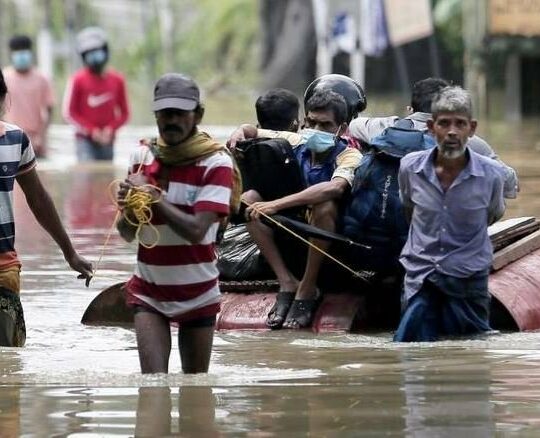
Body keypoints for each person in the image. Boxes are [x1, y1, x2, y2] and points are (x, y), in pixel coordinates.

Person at [116, 73, 238, 373]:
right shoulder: (141, 157)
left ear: (198, 115)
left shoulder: (216, 163)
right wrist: (128, 205)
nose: (171, 121)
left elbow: (197, 231)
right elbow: (126, 233)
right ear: (156, 115)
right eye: (165, 113)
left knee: (195, 388)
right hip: (149, 291)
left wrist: (153, 197)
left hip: (198, 292)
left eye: (180, 114)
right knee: (153, 386)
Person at [228, 90, 362, 329]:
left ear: (341, 128)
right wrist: (239, 134)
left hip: (328, 235)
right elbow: (251, 130)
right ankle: (286, 281)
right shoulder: (296, 140)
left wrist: (276, 204)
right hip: (294, 229)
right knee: (248, 198)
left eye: (325, 125)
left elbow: (334, 188)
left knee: (324, 204)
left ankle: (307, 286)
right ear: (303, 121)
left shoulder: (349, 154)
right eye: (312, 122)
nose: (316, 129)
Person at [393, 86, 506, 342]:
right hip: (420, 276)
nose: (452, 132)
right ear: (432, 128)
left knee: (471, 359)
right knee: (412, 356)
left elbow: (492, 213)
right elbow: (410, 210)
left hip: (468, 279)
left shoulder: (491, 174)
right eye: (444, 123)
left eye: (460, 124)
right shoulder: (410, 167)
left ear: (472, 128)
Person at [0, 69, 93, 347]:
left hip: (3, 266)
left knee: (8, 361)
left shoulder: (15, 140)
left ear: (3, 100)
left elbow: (38, 199)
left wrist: (70, 253)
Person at [348, 77, 519, 199]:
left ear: (410, 110)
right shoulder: (468, 141)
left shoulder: (385, 128)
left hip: (380, 224)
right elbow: (510, 184)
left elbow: (352, 125)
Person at [63, 27, 130, 161]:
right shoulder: (77, 80)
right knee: (86, 178)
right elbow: (69, 113)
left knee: (107, 180)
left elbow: (125, 113)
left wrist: (110, 129)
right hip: (85, 141)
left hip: (108, 141)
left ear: (105, 51)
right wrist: (92, 131)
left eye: (97, 52)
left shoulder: (117, 80)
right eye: (89, 53)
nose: (94, 57)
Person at [2, 35, 55, 158]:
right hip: (10, 139)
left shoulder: (42, 78)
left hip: (37, 142)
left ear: (31, 53)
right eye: (17, 51)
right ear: (11, 54)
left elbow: (49, 109)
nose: (21, 55)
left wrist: (41, 137)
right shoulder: (4, 78)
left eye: (24, 50)